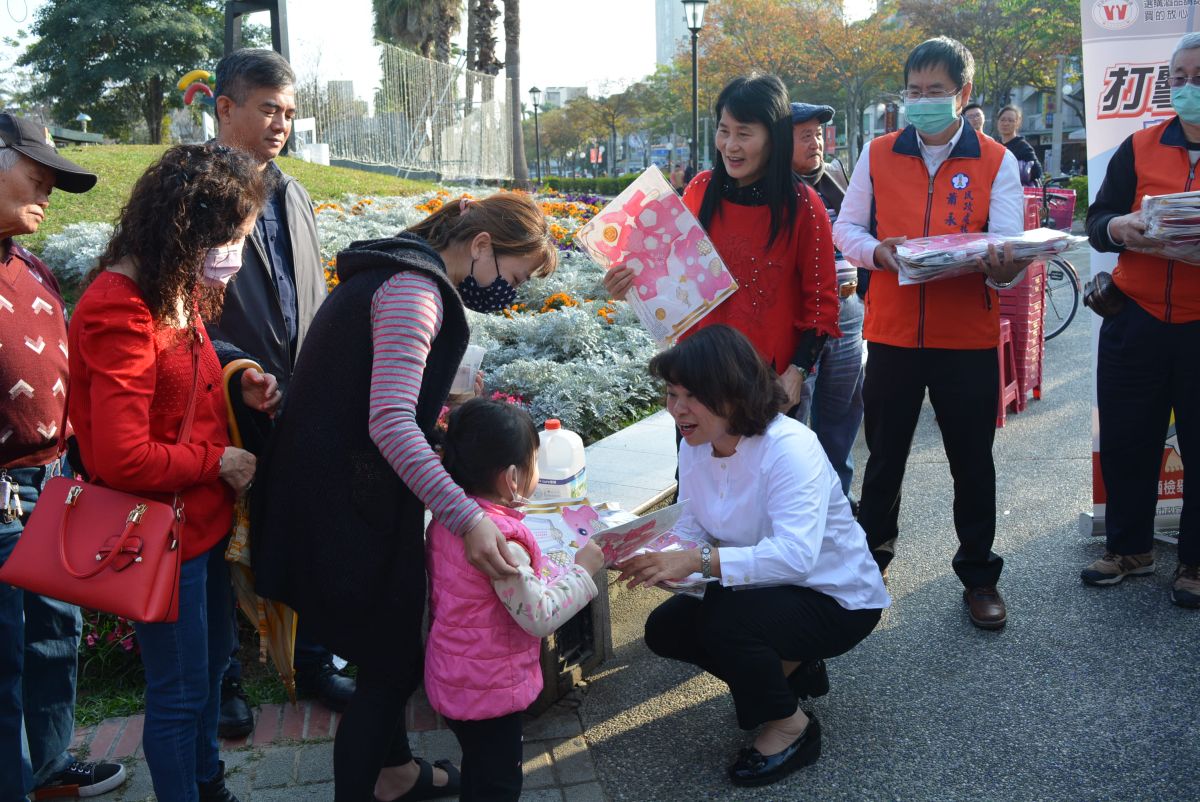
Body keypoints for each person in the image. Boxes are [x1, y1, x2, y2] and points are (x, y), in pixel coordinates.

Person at [251, 193, 557, 802]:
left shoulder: (396, 272)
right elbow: (390, 421)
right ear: (481, 246)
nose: (509, 292)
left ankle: (395, 774)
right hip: (343, 508)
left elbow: (385, 401)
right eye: (513, 276)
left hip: (334, 496)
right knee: (390, 669)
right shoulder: (414, 293)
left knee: (383, 652)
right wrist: (467, 515)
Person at [68, 143, 280, 802]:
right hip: (163, 538)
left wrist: (238, 382)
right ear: (189, 228)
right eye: (232, 240)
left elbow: (181, 378)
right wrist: (216, 460)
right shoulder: (119, 307)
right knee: (180, 697)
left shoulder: (173, 286)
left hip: (200, 527)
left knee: (210, 674)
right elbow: (121, 457)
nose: (235, 257)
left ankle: (209, 785)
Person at [617, 325, 889, 788]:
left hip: (836, 598)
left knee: (725, 621)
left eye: (691, 396)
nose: (677, 409)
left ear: (732, 395)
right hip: (769, 589)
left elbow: (796, 556)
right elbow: (694, 522)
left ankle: (791, 726)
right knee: (666, 628)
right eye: (671, 393)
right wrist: (648, 552)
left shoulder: (789, 448)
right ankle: (792, 670)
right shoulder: (695, 444)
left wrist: (696, 563)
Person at [832, 36, 1029, 630]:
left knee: (972, 463)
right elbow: (848, 229)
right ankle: (871, 564)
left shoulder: (997, 161)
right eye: (913, 92)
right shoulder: (878, 152)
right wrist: (879, 254)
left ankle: (979, 574)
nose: (921, 102)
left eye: (935, 92)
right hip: (891, 334)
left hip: (966, 340)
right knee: (884, 458)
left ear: (962, 95)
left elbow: (1008, 246)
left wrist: (1004, 267)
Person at [206, 47, 347, 735]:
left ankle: (315, 663)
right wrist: (235, 369)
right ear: (225, 107)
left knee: (313, 526)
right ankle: (224, 681)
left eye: (288, 112)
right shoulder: (195, 190)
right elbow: (182, 309)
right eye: (267, 109)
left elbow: (310, 292)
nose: (280, 124)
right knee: (217, 539)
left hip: (297, 395)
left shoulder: (291, 190)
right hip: (220, 396)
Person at [0, 114, 128, 801]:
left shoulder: (32, 265)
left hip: (52, 483)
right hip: (1, 496)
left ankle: (46, 767)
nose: (47, 189)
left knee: (53, 637)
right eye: (34, 173)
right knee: (4, 658)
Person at [605, 75, 839, 410]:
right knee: (694, 465)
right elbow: (668, 276)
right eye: (724, 130)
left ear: (773, 137)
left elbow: (821, 302)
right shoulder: (701, 189)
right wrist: (628, 285)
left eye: (744, 133)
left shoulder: (804, 205)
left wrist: (797, 372)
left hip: (766, 384)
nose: (730, 145)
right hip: (697, 378)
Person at [425, 398, 603, 801]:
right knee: (499, 785)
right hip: (491, 689)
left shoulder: (451, 518)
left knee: (480, 768)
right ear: (511, 477)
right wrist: (582, 570)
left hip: (455, 674)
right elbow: (538, 615)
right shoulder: (501, 542)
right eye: (534, 461)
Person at [1080, 32, 1200, 608]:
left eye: (1199, 77)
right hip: (1136, 316)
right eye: (1179, 77)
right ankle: (1129, 548)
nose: (1188, 87)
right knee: (1129, 440)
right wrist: (1119, 228)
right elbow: (1097, 218)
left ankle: (1195, 563)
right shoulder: (1141, 145)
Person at [790, 102, 863, 511]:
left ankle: (839, 501)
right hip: (804, 318)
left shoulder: (835, 177)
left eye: (818, 135)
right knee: (796, 417)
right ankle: (798, 506)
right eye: (804, 136)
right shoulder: (776, 189)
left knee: (843, 412)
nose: (815, 143)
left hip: (849, 313)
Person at [995, 104, 1043, 187]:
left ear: (1018, 123)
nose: (1006, 123)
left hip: (1016, 194)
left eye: (1010, 120)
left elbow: (1037, 171)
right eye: (1002, 120)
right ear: (998, 122)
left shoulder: (1023, 146)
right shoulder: (995, 145)